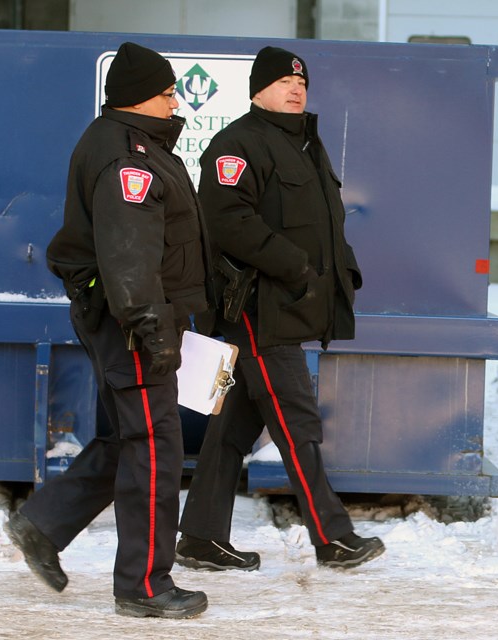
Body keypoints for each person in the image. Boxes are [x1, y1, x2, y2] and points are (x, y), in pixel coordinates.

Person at [4, 42, 215, 619]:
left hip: (126, 315)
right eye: (168, 91)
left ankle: (43, 526)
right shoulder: (128, 156)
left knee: (128, 437)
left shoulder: (132, 144)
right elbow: (129, 252)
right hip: (135, 320)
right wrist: (151, 325)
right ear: (140, 96)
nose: (177, 99)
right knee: (155, 446)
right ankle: (144, 586)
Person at [176, 46, 385, 571]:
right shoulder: (236, 144)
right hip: (257, 308)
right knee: (296, 419)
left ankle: (200, 537)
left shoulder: (306, 146)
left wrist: (344, 270)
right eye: (284, 82)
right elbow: (227, 221)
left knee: (232, 428)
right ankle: (332, 536)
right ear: (257, 90)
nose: (296, 90)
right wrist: (295, 266)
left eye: (302, 84)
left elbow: (325, 223)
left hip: (289, 305)